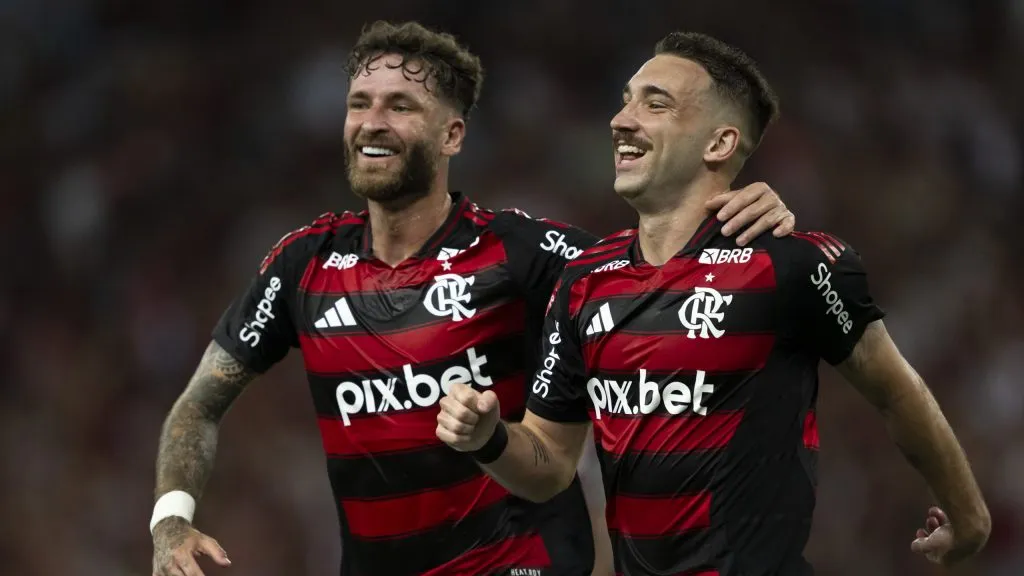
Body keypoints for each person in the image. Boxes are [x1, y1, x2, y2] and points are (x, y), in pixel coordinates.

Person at [148, 21, 797, 576]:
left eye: (400, 105)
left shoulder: (521, 252)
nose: (373, 122)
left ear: (452, 136)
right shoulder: (305, 264)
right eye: (360, 102)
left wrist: (739, 216)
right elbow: (199, 405)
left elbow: (663, 275)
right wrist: (171, 523)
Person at [435, 31, 993, 576]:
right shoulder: (583, 277)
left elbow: (896, 391)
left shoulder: (789, 265)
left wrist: (969, 517)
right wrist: (490, 438)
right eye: (626, 100)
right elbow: (551, 465)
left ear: (719, 144)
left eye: (656, 104)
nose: (621, 119)